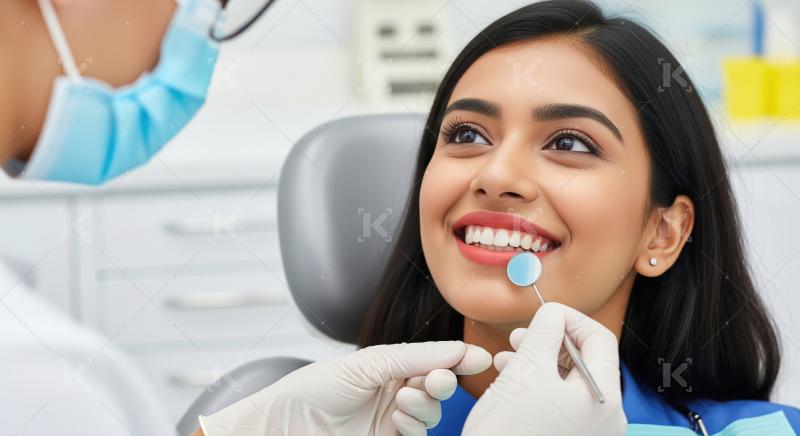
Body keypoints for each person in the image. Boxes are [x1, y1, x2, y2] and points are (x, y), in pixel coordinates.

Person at [356, 0, 800, 434]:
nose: (496, 175)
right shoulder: (335, 422)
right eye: (468, 134)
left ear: (663, 234)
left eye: (569, 144)